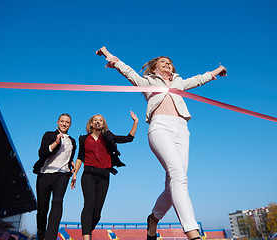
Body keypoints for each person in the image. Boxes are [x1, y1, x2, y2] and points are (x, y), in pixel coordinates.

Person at [96, 47, 227, 240]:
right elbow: (127, 71)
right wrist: (107, 54)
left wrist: (218, 70)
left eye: (170, 62)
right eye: (162, 62)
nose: (167, 63)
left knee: (173, 184)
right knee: (179, 176)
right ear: (154, 68)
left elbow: (199, 79)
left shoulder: (179, 82)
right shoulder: (147, 82)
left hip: (182, 129)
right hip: (160, 127)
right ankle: (193, 234)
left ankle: (153, 219)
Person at [71, 111, 138, 240]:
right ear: (91, 124)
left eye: (100, 120)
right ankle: (86, 237)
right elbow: (80, 157)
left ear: (103, 125)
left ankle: (87, 230)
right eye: (95, 120)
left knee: (97, 213)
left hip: (104, 176)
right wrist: (75, 174)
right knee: (89, 203)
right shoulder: (84, 139)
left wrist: (135, 122)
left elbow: (128, 138)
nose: (97, 122)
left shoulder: (108, 136)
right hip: (88, 174)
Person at [33, 113, 76, 240]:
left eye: (67, 122)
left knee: (57, 202)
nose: (64, 124)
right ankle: (41, 235)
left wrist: (71, 163)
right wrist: (56, 142)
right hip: (45, 174)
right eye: (62, 121)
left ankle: (51, 237)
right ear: (57, 122)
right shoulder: (49, 135)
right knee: (42, 210)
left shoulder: (72, 141)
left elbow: (68, 157)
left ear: (70, 124)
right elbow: (42, 153)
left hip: (62, 175)